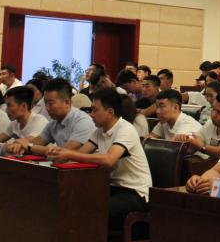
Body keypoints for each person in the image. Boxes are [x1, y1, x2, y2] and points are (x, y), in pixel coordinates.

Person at [47, 88, 152, 229]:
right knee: (70, 200)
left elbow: (109, 160)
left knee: (92, 209)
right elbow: (81, 154)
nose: (91, 115)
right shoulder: (99, 131)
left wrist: (69, 154)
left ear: (110, 112)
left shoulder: (126, 129)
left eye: (95, 110)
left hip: (134, 193)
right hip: (110, 187)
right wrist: (60, 155)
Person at [5, 78, 96, 155]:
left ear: (67, 102)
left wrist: (29, 146)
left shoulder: (83, 121)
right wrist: (19, 145)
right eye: (45, 103)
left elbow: (62, 152)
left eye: (50, 103)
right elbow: (36, 142)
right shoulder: (53, 124)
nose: (47, 108)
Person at [182, 90, 220, 158]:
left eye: (219, 112)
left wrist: (202, 147)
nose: (213, 115)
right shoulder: (211, 123)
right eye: (213, 109)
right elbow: (196, 143)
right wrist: (184, 141)